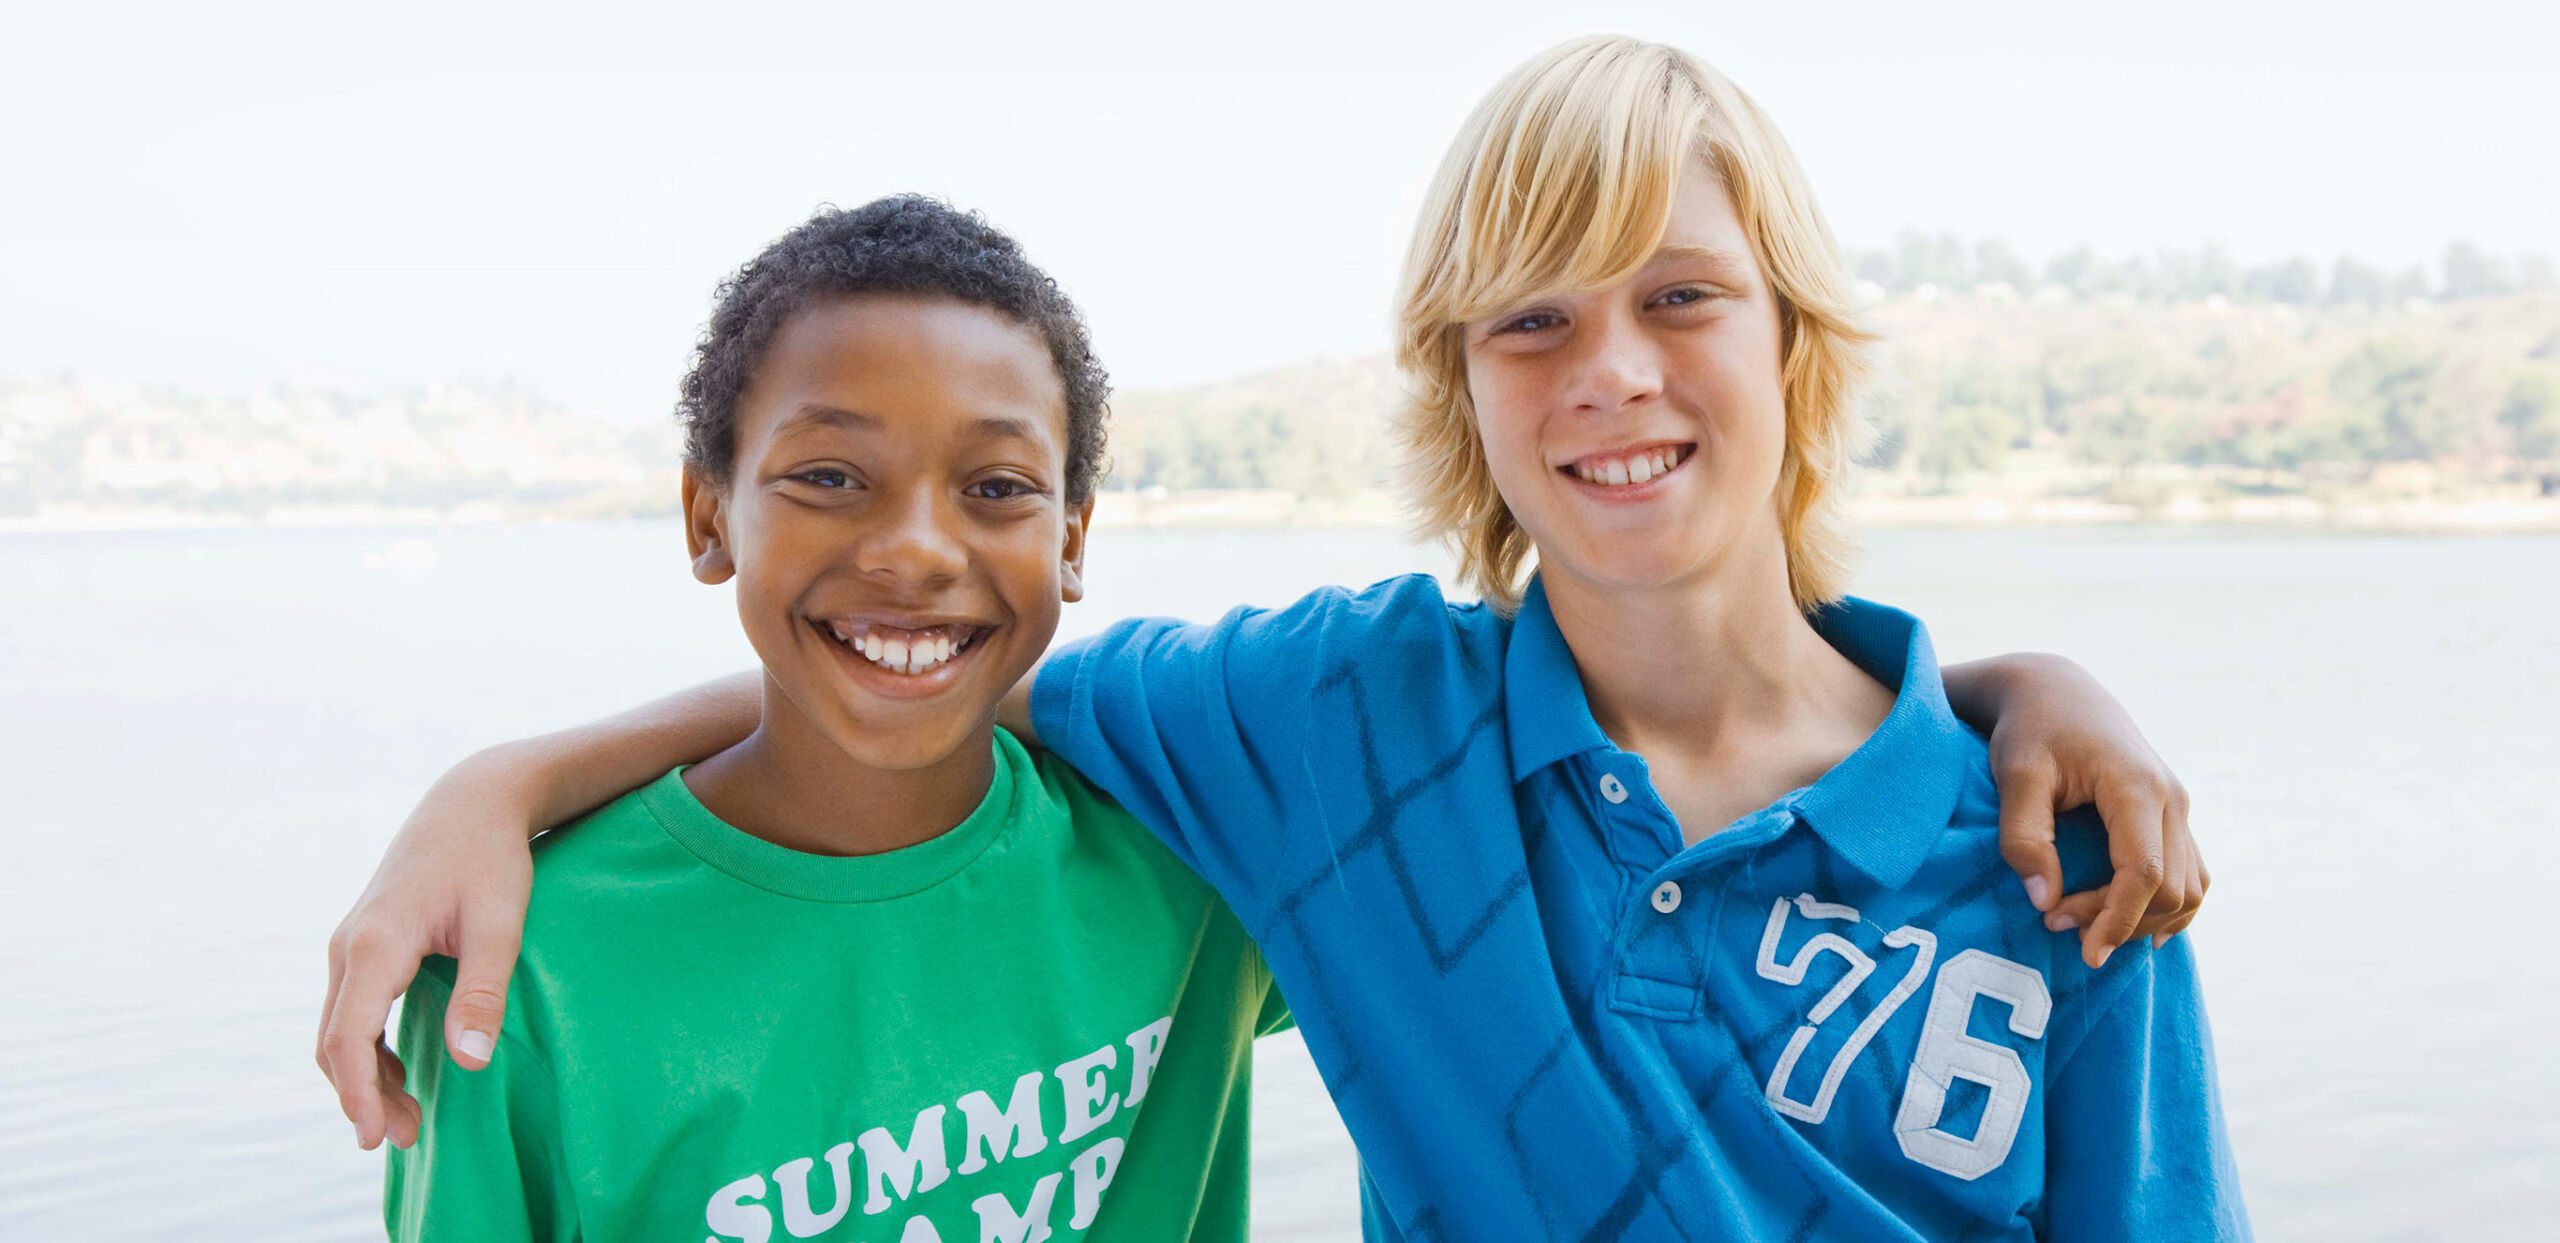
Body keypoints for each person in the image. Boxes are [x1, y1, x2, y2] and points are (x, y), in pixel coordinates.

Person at [323, 36, 2223, 1240]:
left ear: (1794, 343)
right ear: (1460, 389)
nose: (1613, 372)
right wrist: (511, 779)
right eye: (1530, 322)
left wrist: (2016, 689)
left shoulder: (2064, 851)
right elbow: (926, 671)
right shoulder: (1339, 726)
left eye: (1684, 296)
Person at [378, 196, 1286, 1241]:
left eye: (995, 486)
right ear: (708, 515)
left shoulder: (1200, 853)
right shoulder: (521, 967)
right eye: (828, 477)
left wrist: (518, 772)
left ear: (1071, 539)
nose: (916, 550)